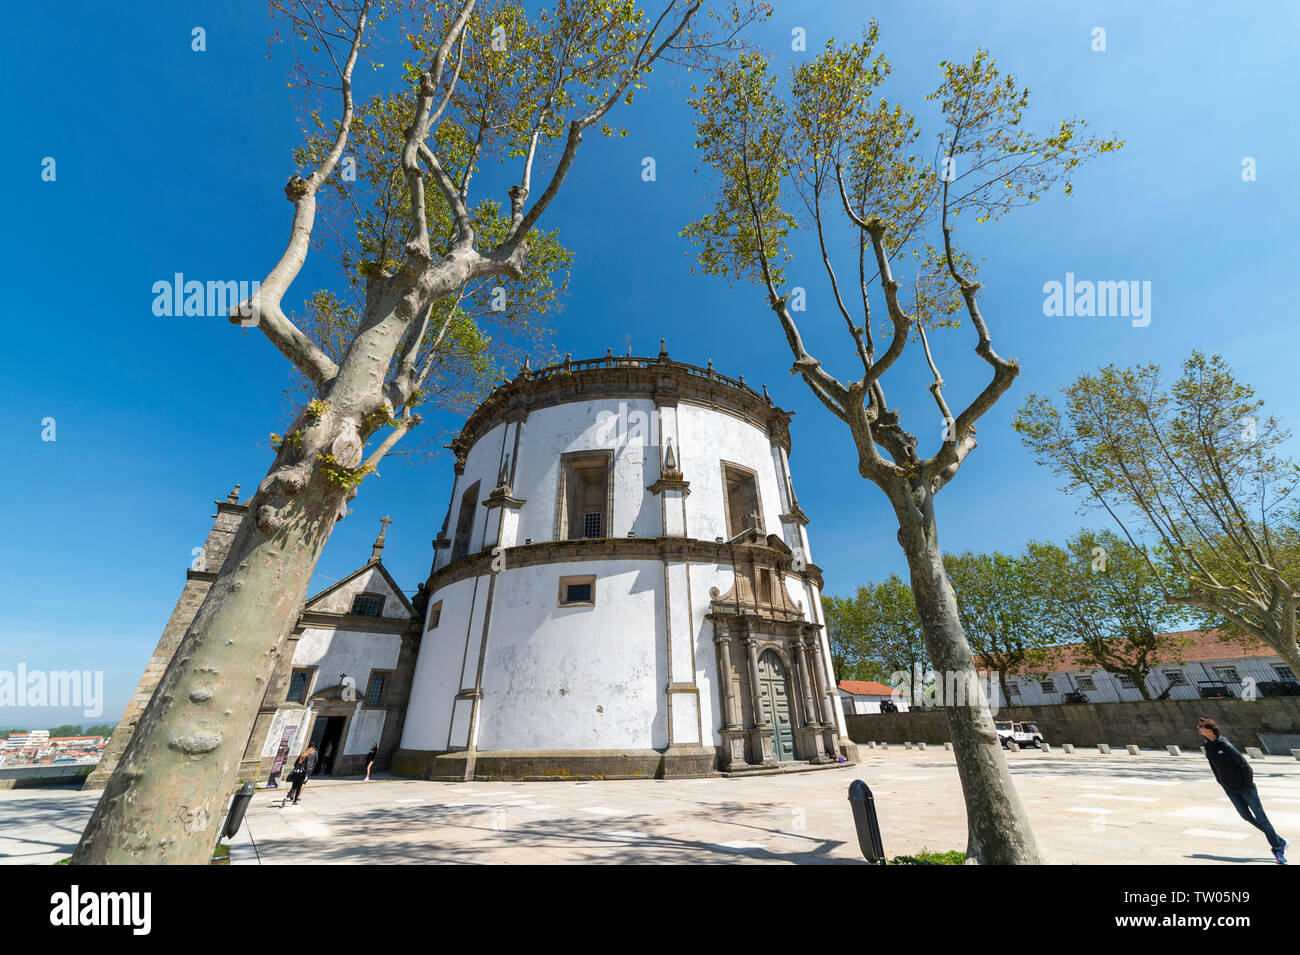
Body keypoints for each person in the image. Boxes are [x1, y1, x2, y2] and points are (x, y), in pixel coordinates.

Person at [1197, 718, 1287, 864]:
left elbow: (1244, 765)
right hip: (1229, 788)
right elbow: (1212, 765)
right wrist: (1220, 781)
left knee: (1262, 818)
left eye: (1200, 726)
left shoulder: (1225, 745)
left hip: (1245, 788)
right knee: (1246, 816)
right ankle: (1279, 840)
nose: (1198, 728)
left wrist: (1247, 784)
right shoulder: (1207, 745)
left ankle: (1277, 848)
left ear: (1209, 729)